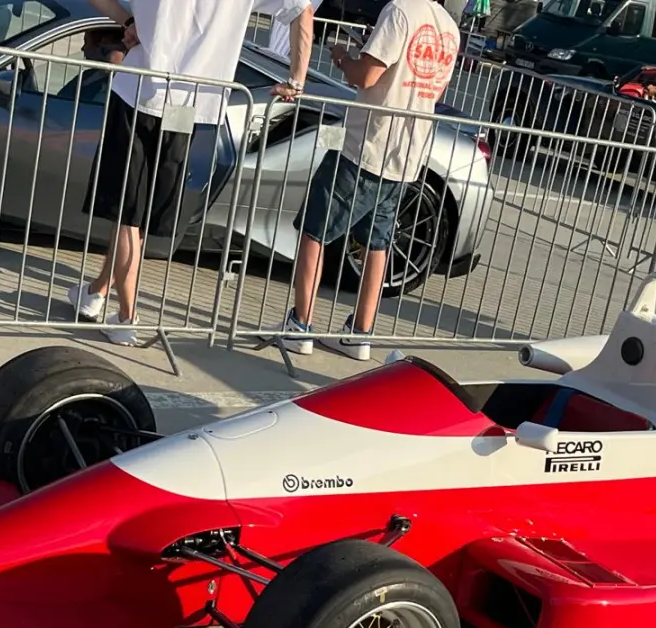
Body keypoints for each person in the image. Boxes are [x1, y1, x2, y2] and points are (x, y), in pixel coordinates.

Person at [68, 0, 315, 345]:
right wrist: (296, 79)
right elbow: (302, 11)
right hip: (193, 106)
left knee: (128, 214)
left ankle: (126, 316)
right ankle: (97, 291)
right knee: (136, 215)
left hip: (139, 91)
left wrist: (128, 20)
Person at [275, 0, 459, 360]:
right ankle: (360, 331)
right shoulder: (449, 28)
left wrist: (344, 58)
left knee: (316, 229)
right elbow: (433, 90)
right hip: (407, 152)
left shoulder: (401, 11)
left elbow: (367, 76)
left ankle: (301, 324)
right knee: (378, 242)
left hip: (369, 143)